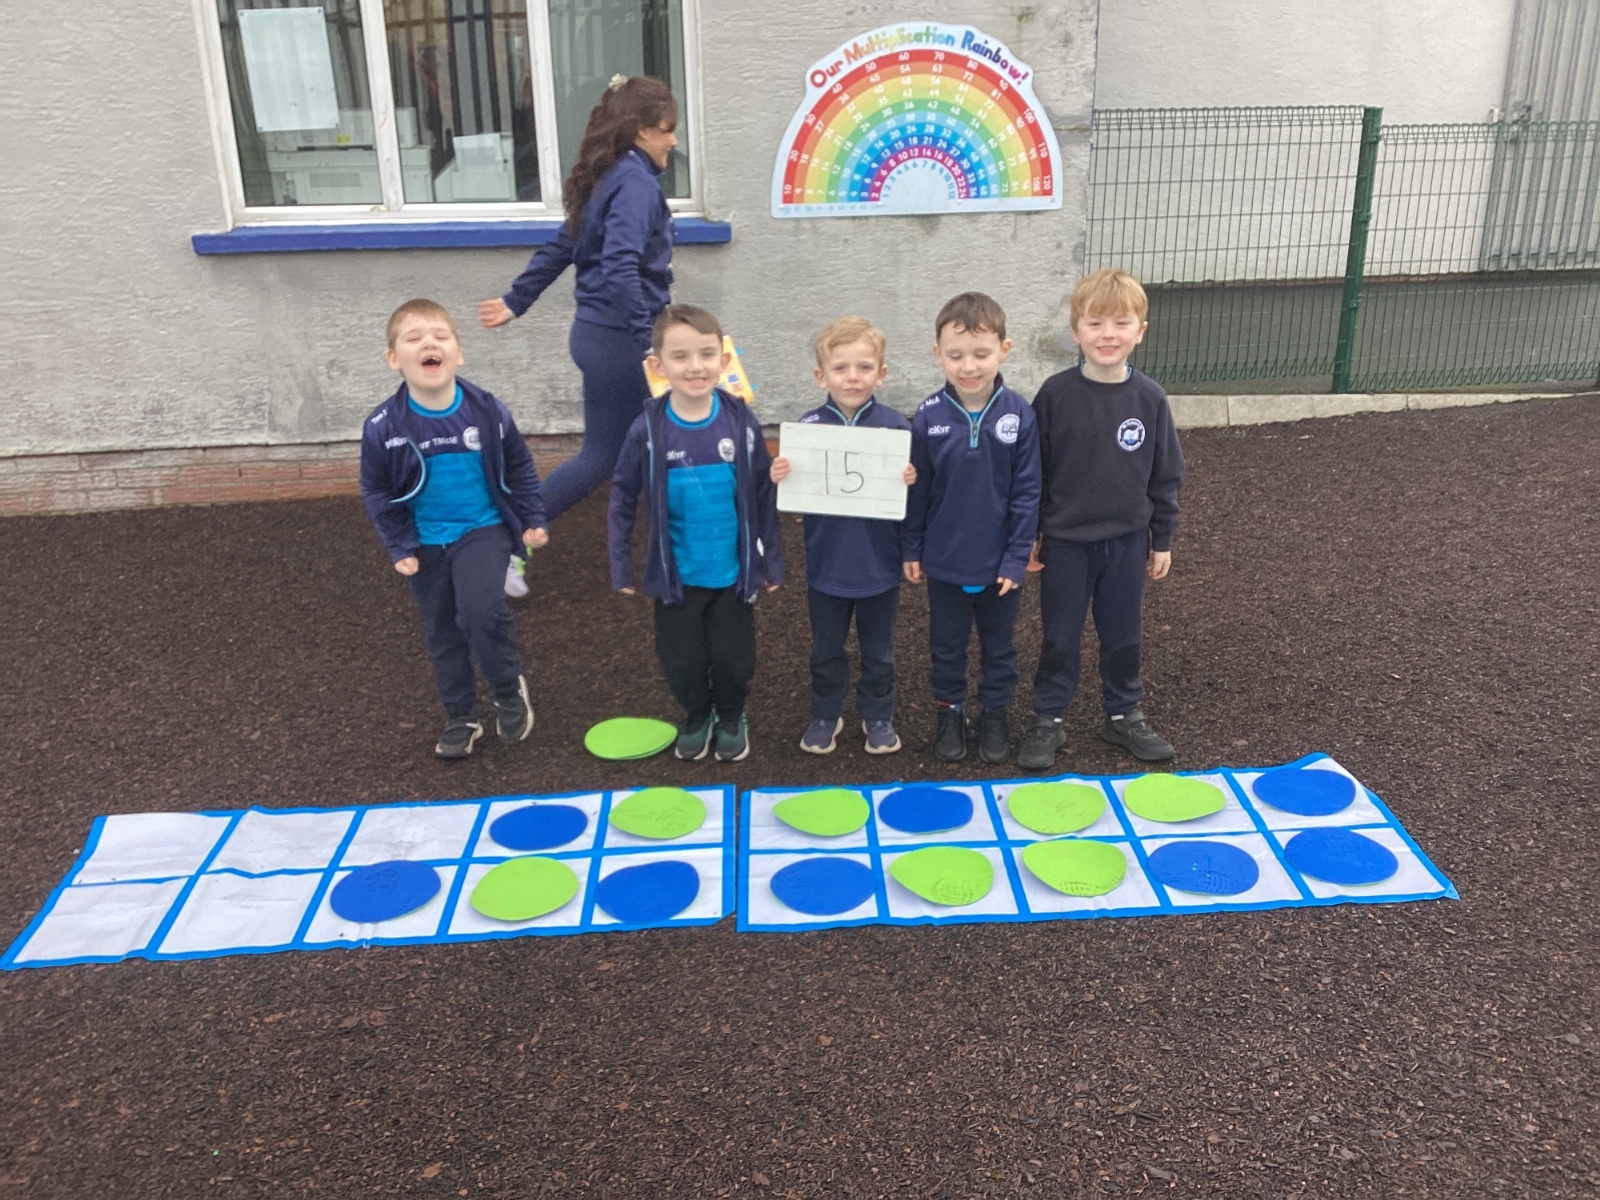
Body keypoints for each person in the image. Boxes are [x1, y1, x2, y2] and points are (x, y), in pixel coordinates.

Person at [479, 74, 678, 597]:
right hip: (619, 342)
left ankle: (676, 545)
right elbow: (619, 266)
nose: (673, 140)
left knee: (653, 442)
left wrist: (516, 300)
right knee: (605, 456)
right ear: (641, 131)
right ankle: (507, 543)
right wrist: (648, 343)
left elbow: (564, 244)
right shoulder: (635, 184)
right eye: (666, 129)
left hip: (600, 334)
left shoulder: (613, 174)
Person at [359, 299, 550, 760]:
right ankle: (461, 714)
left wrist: (532, 518)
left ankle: (507, 690)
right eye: (414, 338)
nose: (429, 343)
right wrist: (399, 546)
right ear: (394, 359)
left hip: (483, 530)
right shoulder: (383, 427)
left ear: (458, 354)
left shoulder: (487, 412)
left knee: (482, 611)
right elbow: (376, 491)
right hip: (425, 541)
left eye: (441, 336)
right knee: (442, 630)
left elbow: (520, 467)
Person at [1017, 269, 1185, 771]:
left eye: (1120, 323)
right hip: (1065, 542)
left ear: (1140, 331)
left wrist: (1162, 537)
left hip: (1127, 542)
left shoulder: (1150, 398)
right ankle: (1049, 718)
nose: (1107, 334)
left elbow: (1166, 473)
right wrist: (1030, 535)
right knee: (1060, 633)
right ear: (1076, 331)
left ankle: (1123, 714)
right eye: (1095, 323)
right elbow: (1034, 470)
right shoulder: (1055, 395)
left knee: (1123, 632)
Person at [607, 304, 783, 763]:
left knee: (732, 658)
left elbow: (763, 492)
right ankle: (697, 715)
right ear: (657, 365)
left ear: (724, 361)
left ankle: (731, 717)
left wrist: (771, 560)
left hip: (732, 574)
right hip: (677, 577)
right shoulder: (648, 429)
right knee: (681, 659)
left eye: (706, 354)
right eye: (680, 356)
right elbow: (622, 495)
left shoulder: (739, 421)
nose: (695, 366)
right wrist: (621, 564)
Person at [903, 293, 1041, 765]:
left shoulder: (1019, 414)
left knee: (999, 649)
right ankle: (950, 714)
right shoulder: (927, 416)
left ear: (1004, 349)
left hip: (1000, 564)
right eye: (956, 355)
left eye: (981, 354)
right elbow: (917, 493)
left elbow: (1027, 494)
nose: (968, 366)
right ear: (937, 354)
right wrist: (912, 547)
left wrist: (1017, 558)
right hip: (945, 562)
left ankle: (995, 715)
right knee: (946, 647)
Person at [769, 317, 916, 756]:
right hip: (827, 566)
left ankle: (878, 715)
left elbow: (913, 503)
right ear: (821, 376)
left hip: (880, 566)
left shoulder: (896, 429)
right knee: (826, 650)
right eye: (840, 368)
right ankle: (825, 714)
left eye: (864, 367)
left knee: (879, 652)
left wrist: (910, 480)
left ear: (881, 374)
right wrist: (782, 477)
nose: (853, 377)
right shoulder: (808, 428)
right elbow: (796, 505)